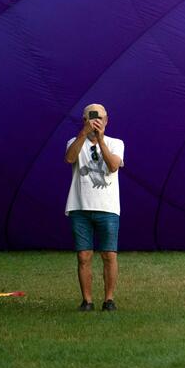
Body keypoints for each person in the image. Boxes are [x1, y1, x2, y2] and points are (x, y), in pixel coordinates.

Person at [64, 104, 125, 312]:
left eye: (100, 118)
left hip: (107, 208)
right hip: (80, 207)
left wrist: (100, 140)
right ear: (84, 120)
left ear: (107, 120)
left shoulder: (116, 143)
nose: (96, 121)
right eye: (91, 117)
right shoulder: (74, 142)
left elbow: (113, 166)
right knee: (83, 256)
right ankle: (87, 300)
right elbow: (69, 159)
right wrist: (84, 134)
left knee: (109, 255)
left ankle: (109, 299)